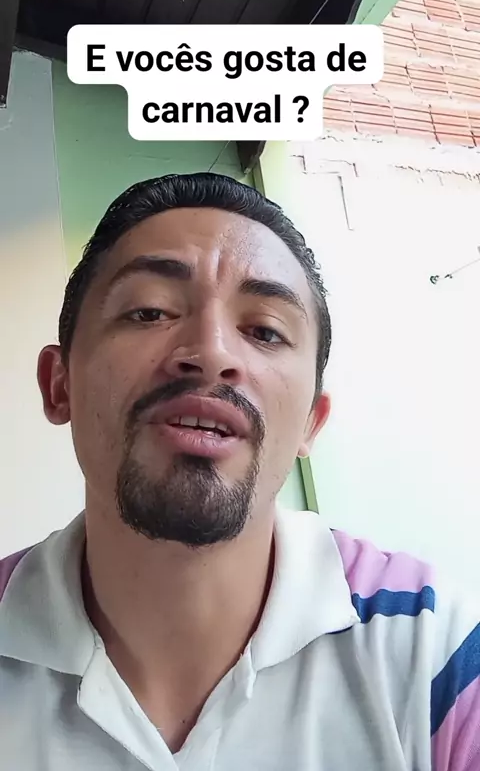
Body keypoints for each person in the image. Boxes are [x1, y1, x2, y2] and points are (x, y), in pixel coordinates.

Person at [0, 172, 478, 770]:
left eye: (265, 331)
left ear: (310, 422)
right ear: (59, 385)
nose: (212, 352)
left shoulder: (435, 652)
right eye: (149, 311)